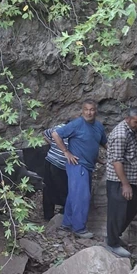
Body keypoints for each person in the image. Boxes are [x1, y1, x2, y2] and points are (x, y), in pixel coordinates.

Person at [51, 100, 107, 239]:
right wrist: (66, 152)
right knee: (82, 196)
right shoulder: (77, 124)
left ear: (96, 111)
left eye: (92, 109)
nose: (89, 112)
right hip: (77, 164)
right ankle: (79, 228)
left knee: (74, 195)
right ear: (82, 111)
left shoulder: (98, 126)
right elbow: (55, 134)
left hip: (88, 165)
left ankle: (67, 224)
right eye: (86, 109)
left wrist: (109, 157)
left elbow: (103, 143)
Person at [105, 107, 137, 258]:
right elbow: (117, 161)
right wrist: (125, 184)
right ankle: (112, 243)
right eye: (136, 122)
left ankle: (114, 236)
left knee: (131, 209)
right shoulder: (120, 135)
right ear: (127, 119)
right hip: (118, 181)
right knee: (118, 212)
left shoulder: (132, 131)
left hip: (129, 178)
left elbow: (131, 155)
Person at [42, 122, 71, 221]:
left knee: (47, 188)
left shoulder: (59, 127)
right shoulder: (75, 131)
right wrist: (56, 145)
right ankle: (64, 212)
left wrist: (53, 144)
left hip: (50, 160)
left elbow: (45, 133)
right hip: (60, 164)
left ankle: (48, 215)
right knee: (63, 189)